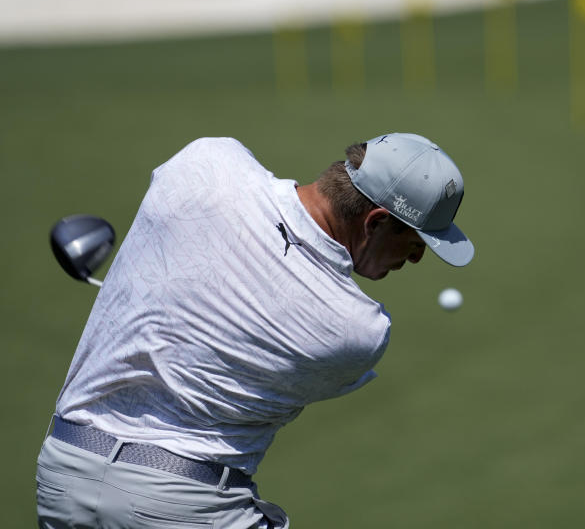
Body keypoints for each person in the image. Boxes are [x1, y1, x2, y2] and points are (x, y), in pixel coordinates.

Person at [36, 133, 474, 528]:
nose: (415, 260)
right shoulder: (358, 330)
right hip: (180, 507)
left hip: (62, 475)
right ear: (375, 223)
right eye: (415, 244)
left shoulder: (205, 162)